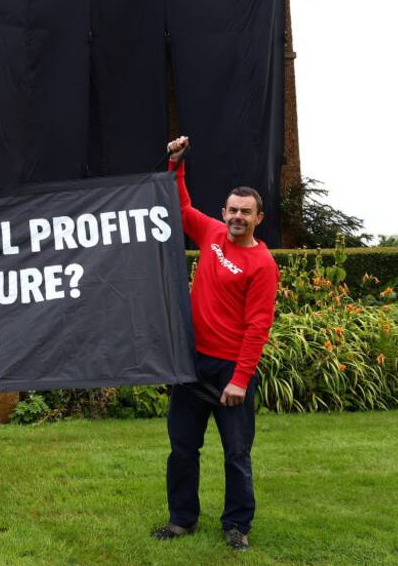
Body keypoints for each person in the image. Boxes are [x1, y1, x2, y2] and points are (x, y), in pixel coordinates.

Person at [151, 136, 279, 552]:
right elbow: (182, 208)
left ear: (258, 217)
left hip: (230, 372)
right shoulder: (211, 234)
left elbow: (258, 327)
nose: (237, 217)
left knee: (236, 454)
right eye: (232, 210)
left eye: (246, 212)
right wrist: (177, 164)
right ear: (223, 212)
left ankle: (237, 526)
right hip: (192, 364)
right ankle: (181, 520)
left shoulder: (262, 264)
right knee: (182, 449)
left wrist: (240, 379)